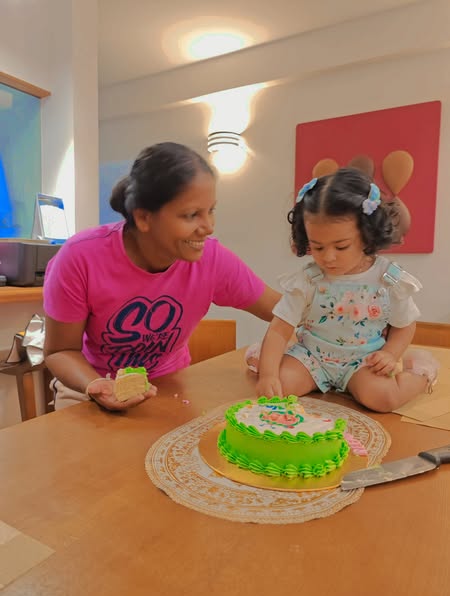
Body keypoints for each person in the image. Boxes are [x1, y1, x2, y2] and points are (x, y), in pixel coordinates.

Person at [43, 142, 280, 411]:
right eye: (192, 215)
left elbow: (287, 312)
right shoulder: (80, 257)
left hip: (169, 385)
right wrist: (96, 386)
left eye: (211, 211)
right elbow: (60, 351)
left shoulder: (212, 259)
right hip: (88, 388)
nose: (209, 227)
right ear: (143, 218)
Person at [256, 167, 438, 413]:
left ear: (367, 235)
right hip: (312, 357)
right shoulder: (308, 280)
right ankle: (265, 360)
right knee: (280, 385)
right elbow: (279, 329)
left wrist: (390, 353)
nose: (328, 257)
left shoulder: (388, 279)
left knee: (384, 398)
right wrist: (268, 375)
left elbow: (404, 325)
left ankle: (421, 372)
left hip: (363, 361)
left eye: (341, 247)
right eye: (317, 247)